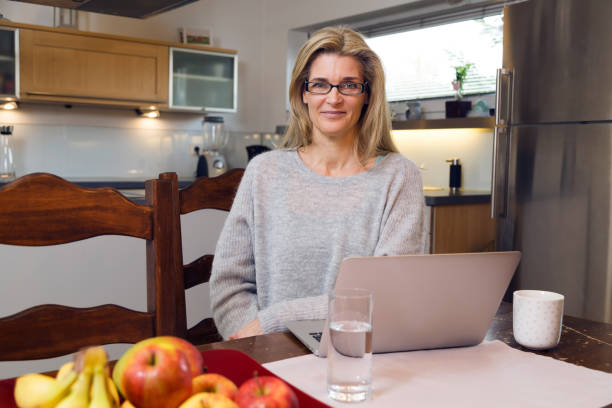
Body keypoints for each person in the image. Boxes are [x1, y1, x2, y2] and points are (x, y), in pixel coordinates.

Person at [210, 26, 426, 340]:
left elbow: (387, 295)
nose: (334, 98)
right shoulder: (263, 172)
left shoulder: (399, 176)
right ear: (304, 93)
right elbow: (229, 285)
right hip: (272, 361)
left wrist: (274, 320)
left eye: (349, 85)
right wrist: (257, 342)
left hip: (358, 357)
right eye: (320, 85)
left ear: (367, 95)